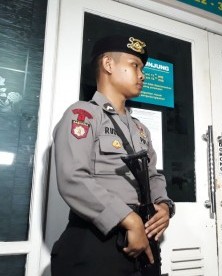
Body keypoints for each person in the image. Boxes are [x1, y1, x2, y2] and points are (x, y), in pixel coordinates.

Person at [50, 35, 175, 276]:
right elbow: (73, 178)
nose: (142, 75)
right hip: (97, 239)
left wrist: (164, 205)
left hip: (143, 238)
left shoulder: (140, 128)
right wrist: (128, 219)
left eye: (143, 68)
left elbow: (153, 176)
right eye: (135, 65)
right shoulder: (83, 115)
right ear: (108, 65)